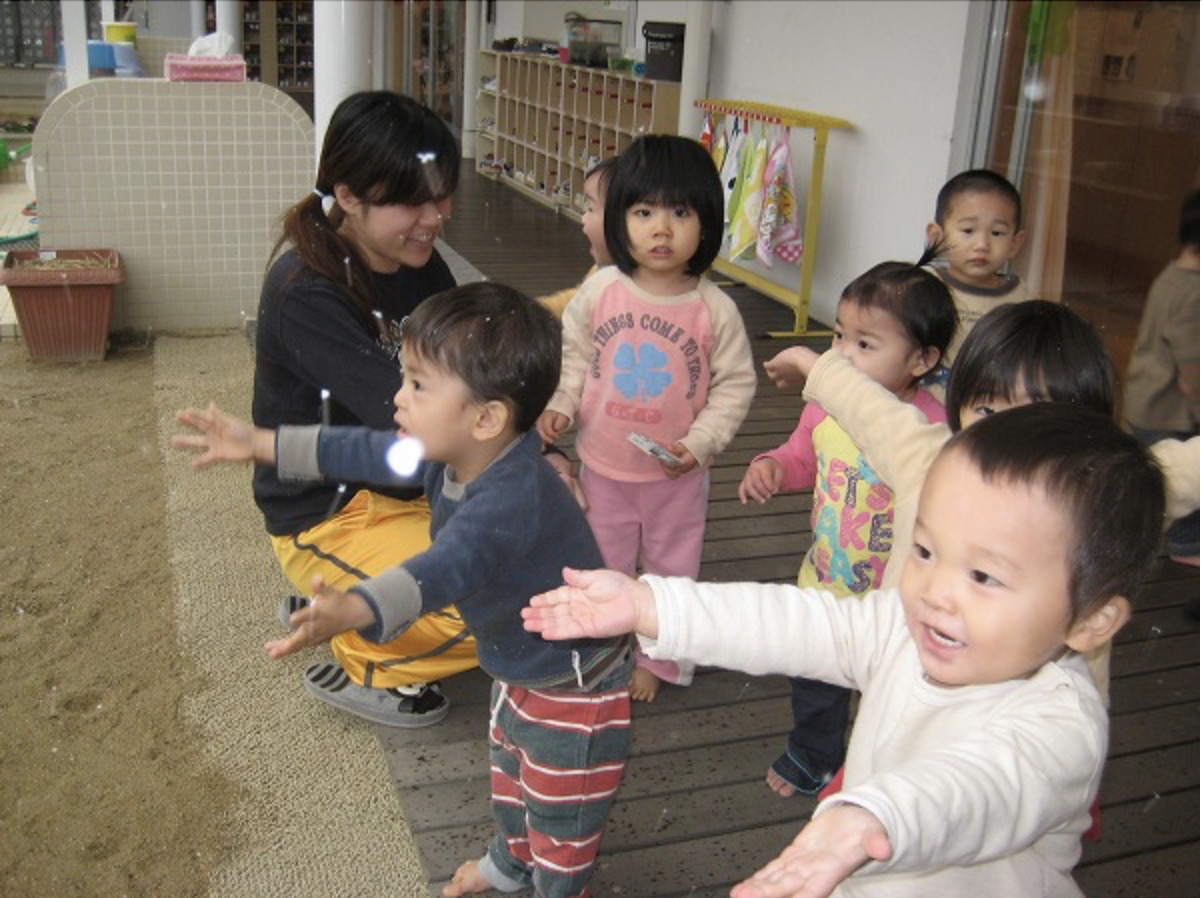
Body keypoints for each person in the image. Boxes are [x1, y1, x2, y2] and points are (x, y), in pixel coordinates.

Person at [524, 403, 1166, 898]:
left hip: (872, 843)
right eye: (924, 551)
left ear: (1090, 621)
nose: (935, 591)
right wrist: (650, 604)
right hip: (857, 866)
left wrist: (866, 817)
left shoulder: (1061, 727)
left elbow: (974, 788)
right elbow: (794, 622)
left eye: (984, 577)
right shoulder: (903, 628)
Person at [175, 282, 633, 898]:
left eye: (418, 385)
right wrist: (260, 444)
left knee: (562, 817)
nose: (397, 397)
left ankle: (554, 883)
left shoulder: (511, 496)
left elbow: (441, 569)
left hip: (575, 684)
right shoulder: (451, 456)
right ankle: (510, 862)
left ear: (486, 416)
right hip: (522, 663)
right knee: (508, 772)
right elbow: (364, 451)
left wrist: (359, 607)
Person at [233, 91, 477, 727]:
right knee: (495, 600)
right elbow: (419, 416)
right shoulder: (305, 293)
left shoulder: (414, 259)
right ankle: (359, 648)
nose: (436, 216)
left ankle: (356, 596)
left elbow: (468, 362)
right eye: (412, 200)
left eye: (442, 194)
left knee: (538, 556)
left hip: (408, 485)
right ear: (348, 194)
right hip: (331, 513)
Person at [537, 134, 758, 702]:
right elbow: (576, 355)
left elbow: (735, 384)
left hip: (676, 476)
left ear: (706, 222)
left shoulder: (714, 309)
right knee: (603, 564)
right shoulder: (603, 290)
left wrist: (703, 441)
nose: (661, 229)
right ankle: (605, 652)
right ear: (619, 219)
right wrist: (562, 404)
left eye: (680, 212)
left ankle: (660, 663)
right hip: (603, 466)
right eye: (643, 212)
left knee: (670, 572)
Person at [738, 251, 956, 798]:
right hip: (827, 581)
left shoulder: (930, 429)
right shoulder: (825, 407)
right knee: (815, 683)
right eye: (837, 336)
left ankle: (883, 772)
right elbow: (801, 456)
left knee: (891, 695)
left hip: (894, 602)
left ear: (922, 359)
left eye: (864, 344)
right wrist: (771, 466)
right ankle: (814, 755)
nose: (839, 355)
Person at [1122, 189, 1200, 565]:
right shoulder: (1194, 293)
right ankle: (1186, 549)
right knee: (1175, 483)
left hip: (1144, 400)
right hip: (1169, 409)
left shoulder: (1171, 276)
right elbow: (1192, 365)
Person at [923, 169, 1029, 385]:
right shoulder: (925, 287)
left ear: (1015, 244)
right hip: (928, 404)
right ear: (937, 237)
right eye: (968, 230)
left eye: (997, 233)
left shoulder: (1020, 297)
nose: (982, 245)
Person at [538, 156, 618, 319]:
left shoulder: (625, 289)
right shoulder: (600, 272)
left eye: (590, 208)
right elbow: (578, 300)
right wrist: (535, 309)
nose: (583, 218)